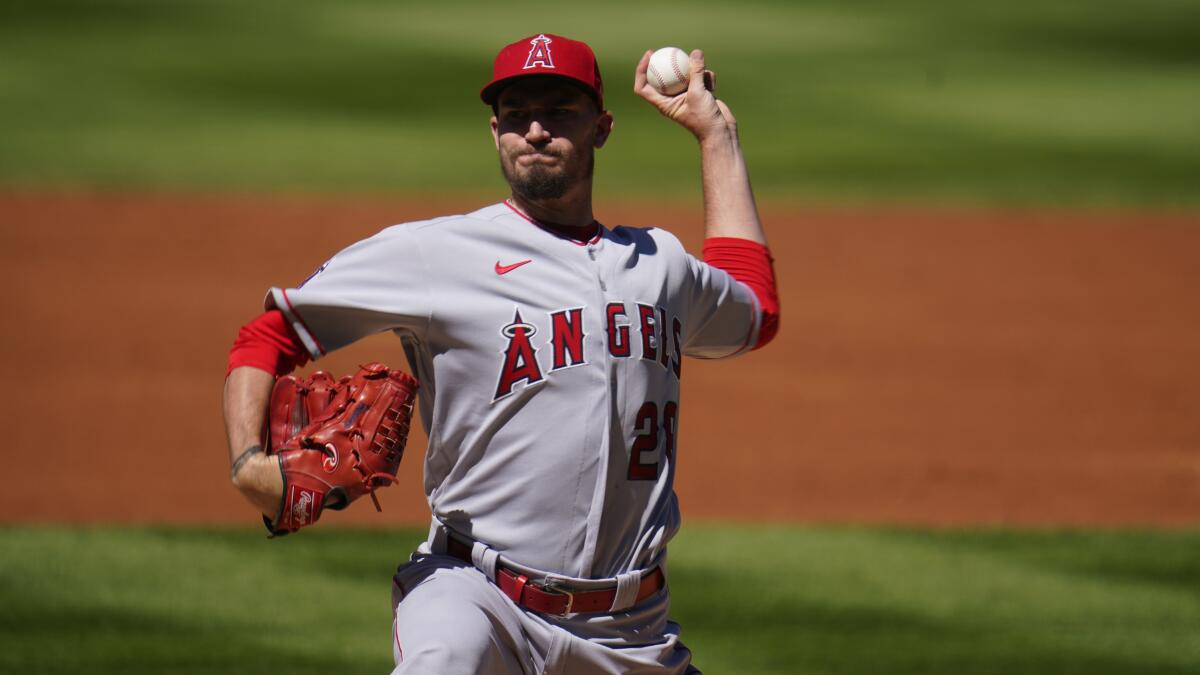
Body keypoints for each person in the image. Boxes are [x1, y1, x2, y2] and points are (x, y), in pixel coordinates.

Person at [223, 33, 779, 674]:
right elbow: (267, 335)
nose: (536, 131)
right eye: (518, 115)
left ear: (601, 128)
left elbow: (754, 312)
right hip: (475, 596)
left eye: (559, 112)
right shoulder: (435, 254)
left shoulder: (659, 264)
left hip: (629, 629)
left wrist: (717, 136)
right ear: (495, 132)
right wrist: (247, 464)